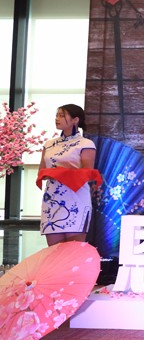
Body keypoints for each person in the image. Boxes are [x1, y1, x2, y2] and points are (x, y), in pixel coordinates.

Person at [38, 104, 97, 246]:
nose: (57, 119)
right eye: (56, 115)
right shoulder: (49, 144)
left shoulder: (85, 144)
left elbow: (88, 172)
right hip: (52, 198)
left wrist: (61, 172)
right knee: (54, 250)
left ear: (75, 120)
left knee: (74, 250)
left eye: (62, 116)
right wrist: (53, 173)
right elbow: (42, 171)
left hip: (76, 198)